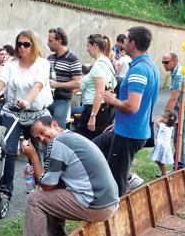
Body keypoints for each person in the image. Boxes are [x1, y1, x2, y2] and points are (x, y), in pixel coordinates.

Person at [7, 116, 119, 236]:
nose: (42, 138)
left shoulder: (58, 143)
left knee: (35, 199)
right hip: (108, 202)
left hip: (97, 205)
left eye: (43, 132)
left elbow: (46, 185)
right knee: (52, 196)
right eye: (37, 138)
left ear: (54, 124)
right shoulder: (71, 137)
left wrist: (33, 155)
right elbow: (53, 186)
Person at [0, 30, 53, 198]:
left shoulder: (42, 64)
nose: (22, 47)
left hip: (35, 111)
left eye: (26, 44)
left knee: (33, 150)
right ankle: (6, 189)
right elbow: (2, 81)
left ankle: (39, 185)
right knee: (9, 148)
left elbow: (38, 85)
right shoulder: (11, 63)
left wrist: (28, 101)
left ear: (33, 45)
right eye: (19, 44)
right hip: (12, 111)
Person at [94, 26, 159, 197]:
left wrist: (112, 100)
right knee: (96, 150)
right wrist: (117, 122)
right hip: (127, 130)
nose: (123, 43)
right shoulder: (150, 65)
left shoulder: (139, 69)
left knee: (117, 180)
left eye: (127, 39)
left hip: (129, 134)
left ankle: (115, 210)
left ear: (132, 43)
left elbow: (133, 106)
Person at [160, 51, 185, 169]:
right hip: (180, 109)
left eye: (166, 62)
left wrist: (165, 116)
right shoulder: (175, 72)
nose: (164, 65)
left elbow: (173, 99)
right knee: (178, 138)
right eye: (163, 62)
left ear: (174, 61)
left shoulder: (179, 74)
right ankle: (179, 166)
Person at [74, 34, 117, 140]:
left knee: (89, 144)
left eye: (88, 46)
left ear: (95, 46)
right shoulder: (107, 62)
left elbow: (100, 91)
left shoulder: (99, 64)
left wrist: (93, 116)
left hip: (96, 111)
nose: (87, 49)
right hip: (104, 109)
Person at [45, 27, 82, 127]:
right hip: (47, 99)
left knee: (57, 129)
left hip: (62, 101)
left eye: (50, 40)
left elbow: (78, 83)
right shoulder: (50, 58)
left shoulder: (73, 59)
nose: (47, 43)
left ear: (59, 41)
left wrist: (57, 84)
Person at [150, 112, 176, 177]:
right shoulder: (169, 127)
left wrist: (160, 119)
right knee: (158, 160)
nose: (162, 119)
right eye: (162, 117)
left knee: (159, 160)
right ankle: (163, 173)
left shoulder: (165, 126)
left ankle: (164, 173)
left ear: (170, 120)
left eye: (164, 118)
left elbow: (157, 123)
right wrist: (163, 118)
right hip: (162, 146)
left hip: (162, 146)